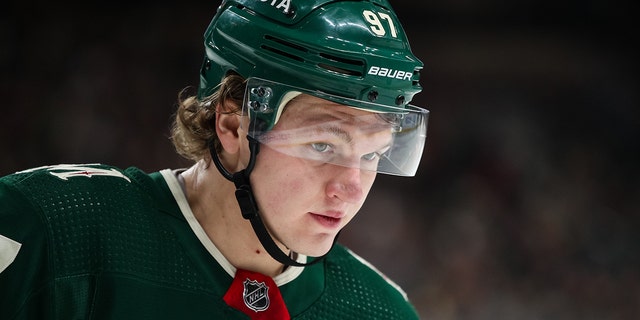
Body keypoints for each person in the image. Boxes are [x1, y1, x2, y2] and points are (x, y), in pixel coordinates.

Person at [0, 0, 429, 318]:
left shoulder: (381, 310)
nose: (351, 188)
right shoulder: (50, 228)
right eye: (322, 146)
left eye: (372, 154)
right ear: (232, 125)